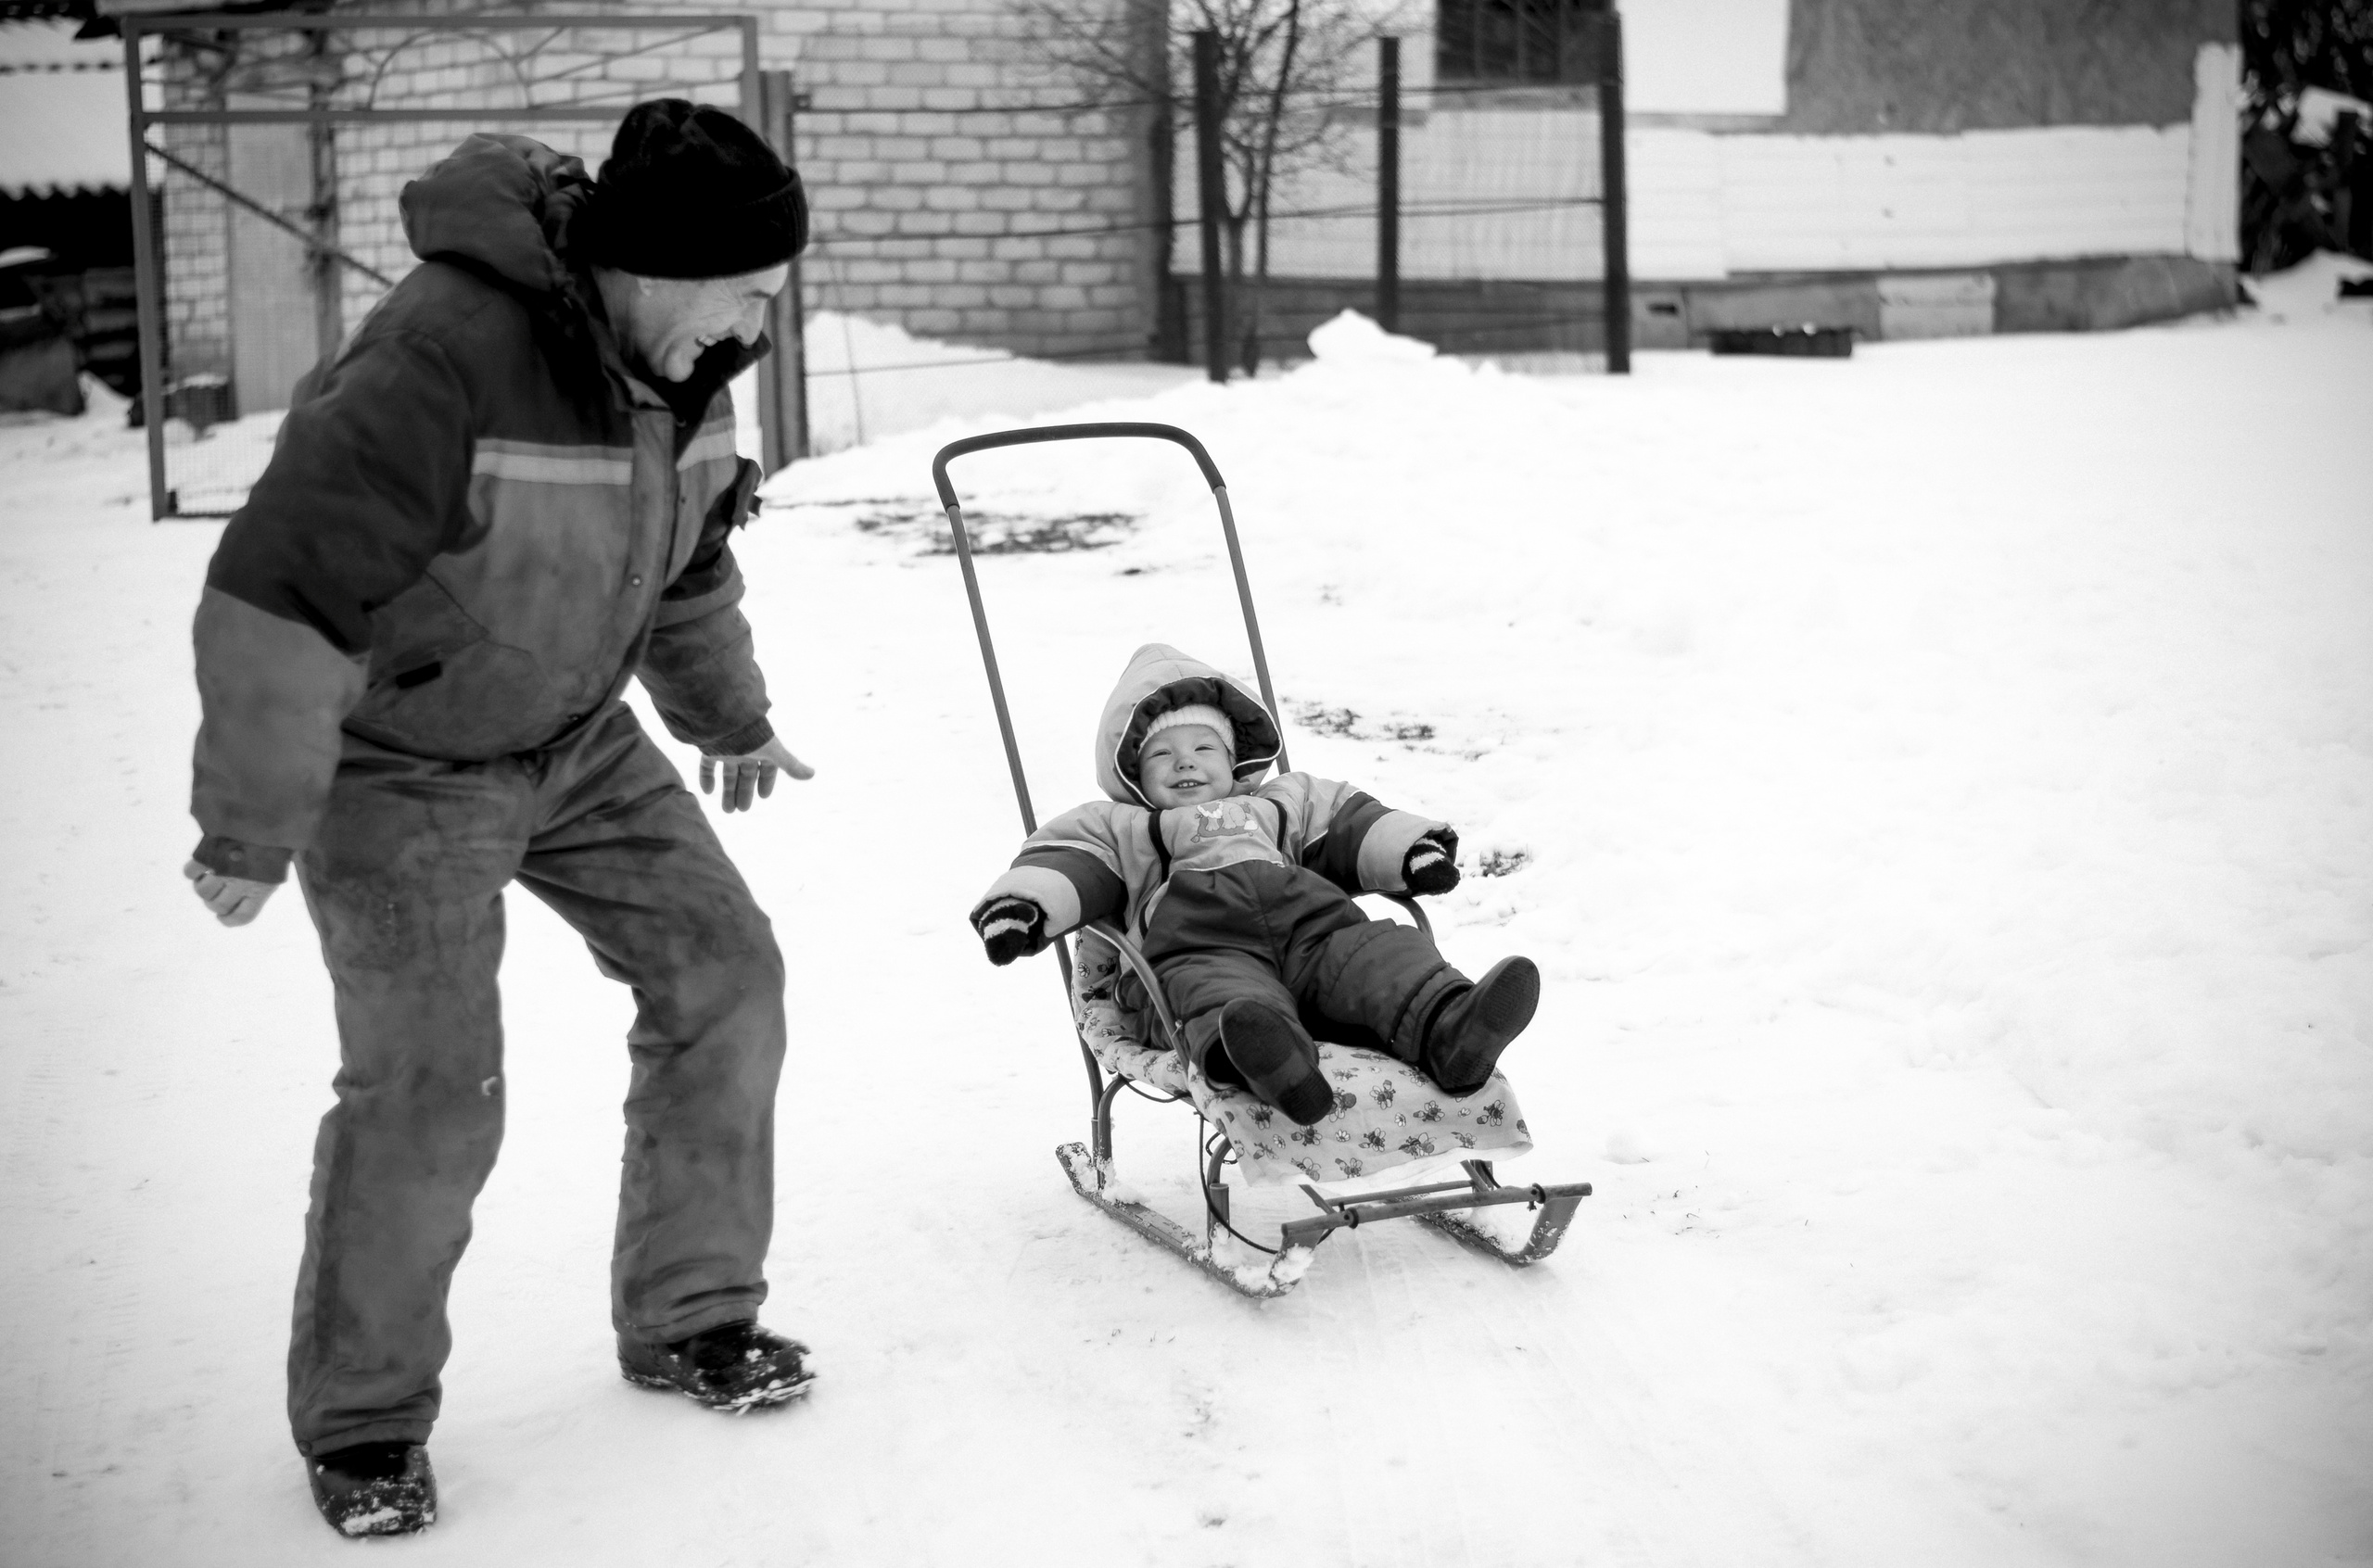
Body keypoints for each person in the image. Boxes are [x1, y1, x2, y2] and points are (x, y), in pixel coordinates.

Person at [181, 100, 816, 1538]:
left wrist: (730, 717)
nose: (766, 317)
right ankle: (364, 1423)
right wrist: (251, 818)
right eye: (753, 286)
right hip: (399, 764)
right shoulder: (442, 353)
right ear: (659, 266)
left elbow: (691, 558)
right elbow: (283, 585)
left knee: (726, 975)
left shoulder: (691, 363)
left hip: (575, 741)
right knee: (430, 1086)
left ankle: (693, 1314)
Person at [968, 644, 1539, 1124]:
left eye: (1203, 748)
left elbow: (1351, 822)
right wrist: (1024, 906)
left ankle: (1452, 1028)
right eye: (1160, 753)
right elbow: (1070, 860)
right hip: (1200, 946)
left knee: (1381, 952)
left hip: (1313, 939)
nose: (1183, 763)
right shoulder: (1121, 826)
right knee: (1219, 993)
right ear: (1132, 774)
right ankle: (1271, 1062)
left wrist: (1412, 852)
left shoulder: (1281, 802)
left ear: (1235, 758)